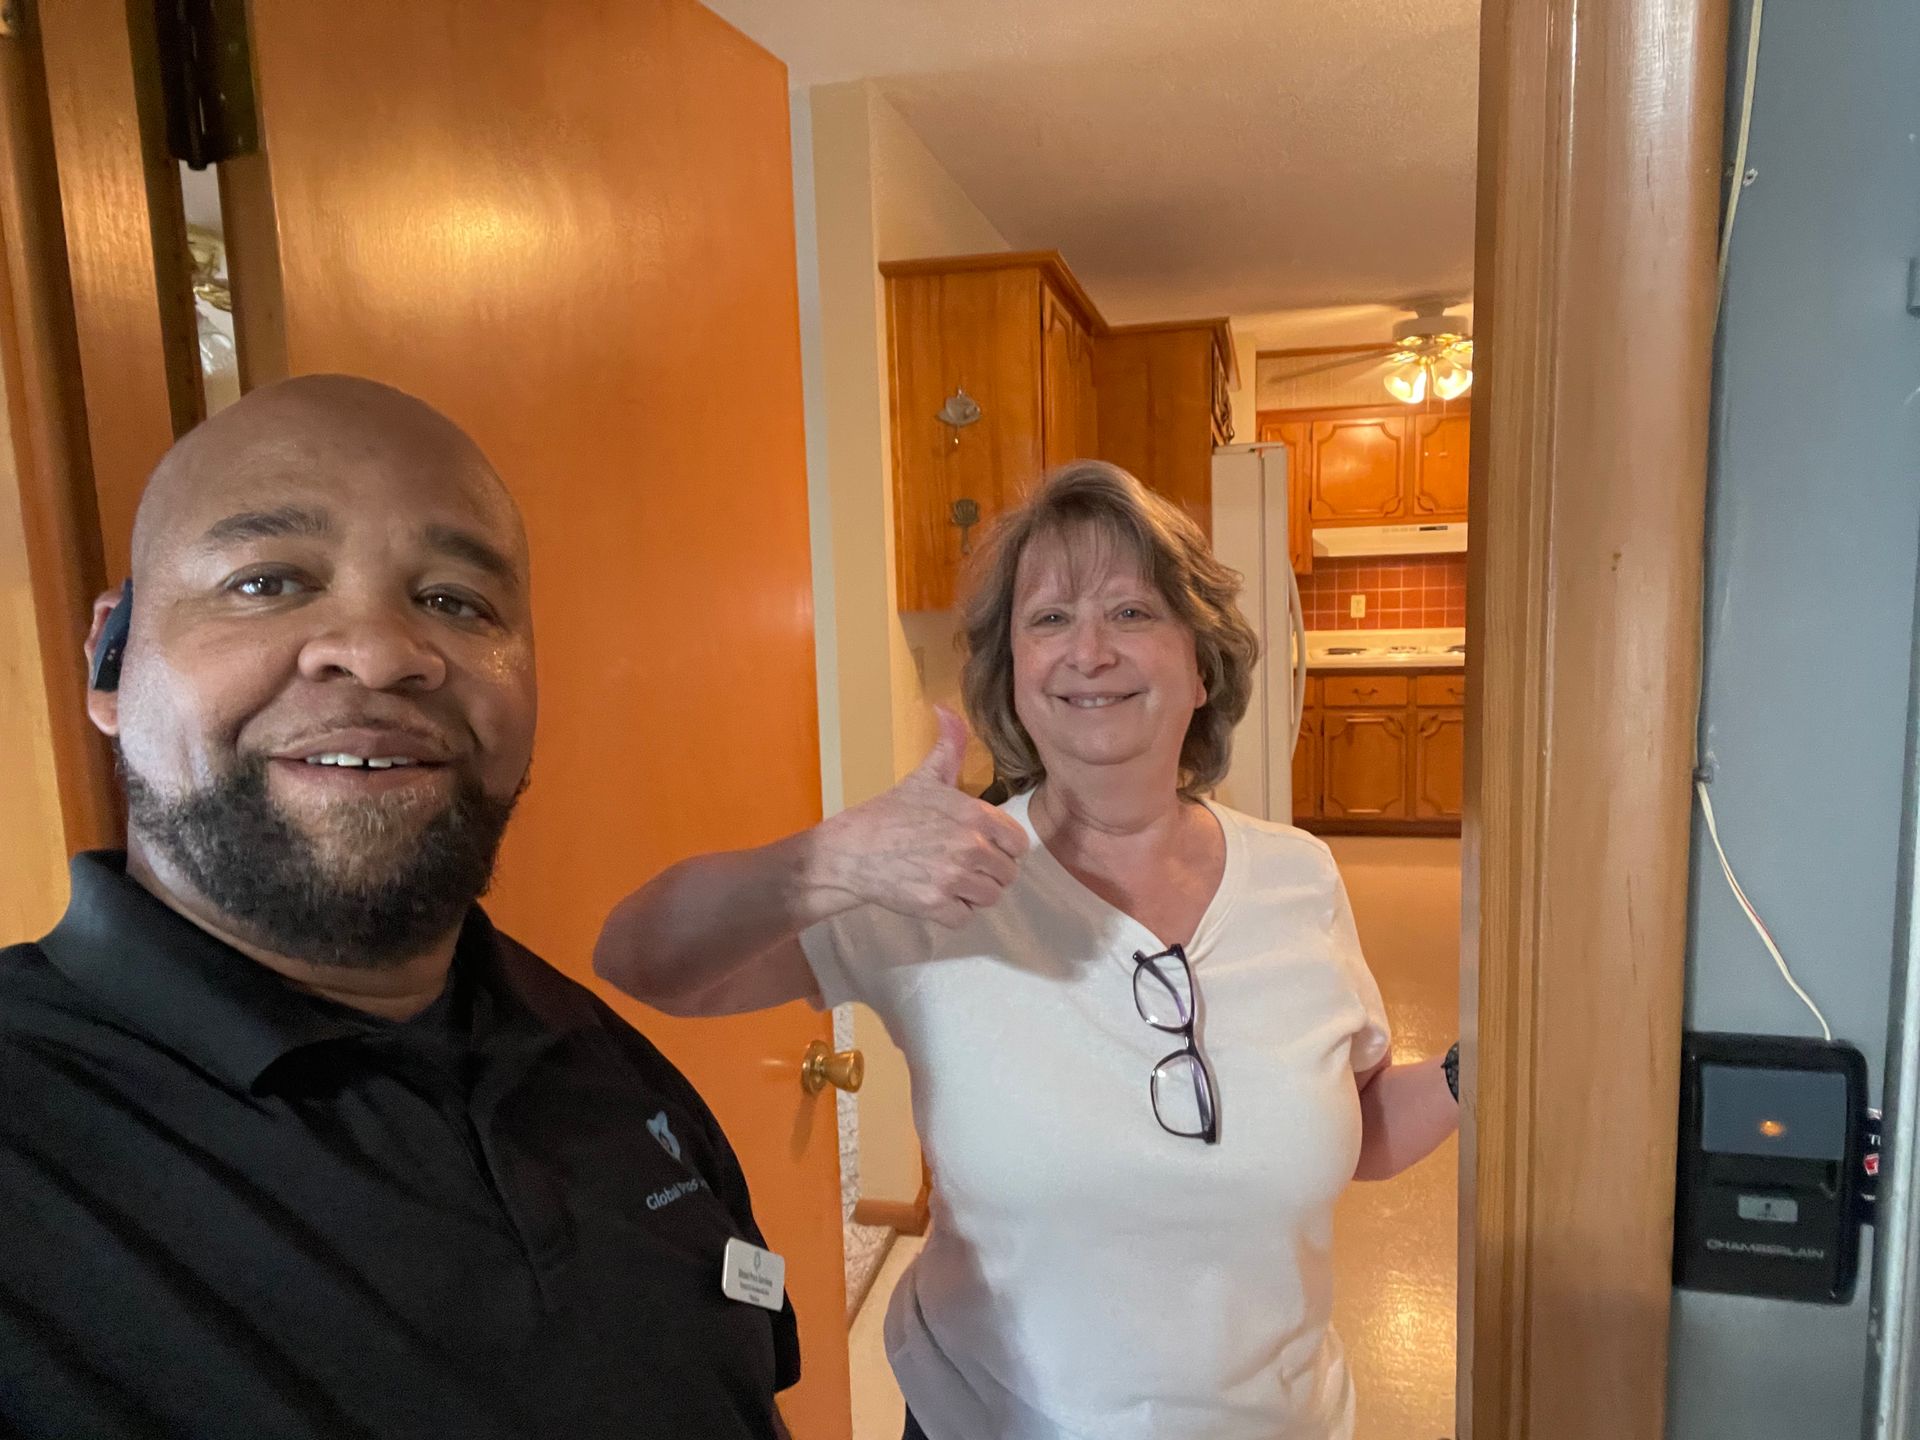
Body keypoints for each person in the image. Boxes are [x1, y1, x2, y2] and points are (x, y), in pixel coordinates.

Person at [0, 376, 799, 1440]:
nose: (379, 653)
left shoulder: (602, 1060)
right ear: (112, 655)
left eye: (455, 602)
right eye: (267, 581)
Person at [595, 460, 1461, 1440]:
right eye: (1050, 619)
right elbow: (640, 961)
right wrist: (830, 858)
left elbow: (1361, 1125)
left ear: (1203, 663)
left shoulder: (1299, 878)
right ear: (1011, 673)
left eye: (1132, 612)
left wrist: (1481, 1069)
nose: (1090, 651)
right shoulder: (934, 879)